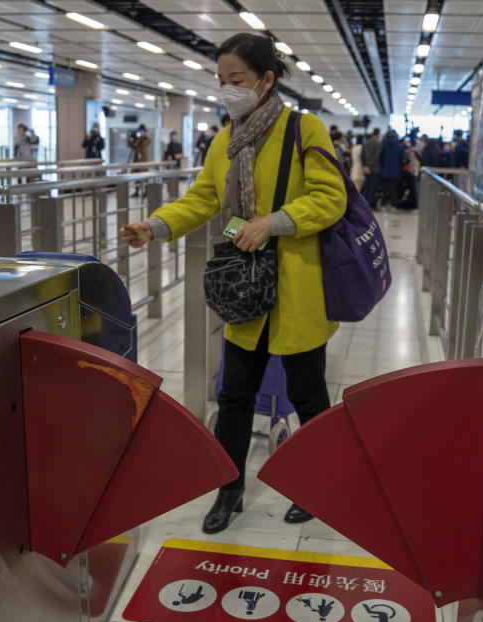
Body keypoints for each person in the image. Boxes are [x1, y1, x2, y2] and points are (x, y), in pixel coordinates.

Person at [119, 32, 345, 535]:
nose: (227, 90)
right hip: (246, 290)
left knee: (310, 396)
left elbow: (331, 199)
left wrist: (274, 221)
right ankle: (230, 489)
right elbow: (202, 199)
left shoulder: (305, 130)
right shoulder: (226, 140)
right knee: (235, 396)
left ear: (266, 80)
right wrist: (153, 226)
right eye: (221, 81)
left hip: (296, 290)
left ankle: (319, 486)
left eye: (236, 80)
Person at [379, 130, 403, 211]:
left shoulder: (384, 145)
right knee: (394, 189)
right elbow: (401, 159)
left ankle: (383, 205)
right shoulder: (399, 145)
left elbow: (381, 158)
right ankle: (393, 206)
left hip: (385, 171)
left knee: (385, 189)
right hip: (396, 172)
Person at [360, 128, 382, 208]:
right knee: (372, 188)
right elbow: (377, 157)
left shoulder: (366, 143)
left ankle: (364, 204)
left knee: (366, 187)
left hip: (366, 169)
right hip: (374, 169)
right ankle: (369, 205)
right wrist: (370, 166)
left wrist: (365, 166)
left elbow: (362, 156)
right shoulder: (378, 144)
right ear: (378, 134)